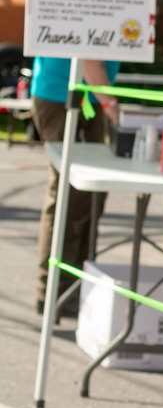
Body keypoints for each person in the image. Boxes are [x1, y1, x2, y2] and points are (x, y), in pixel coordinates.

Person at [31, 56, 121, 314]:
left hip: (89, 96)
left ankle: (74, 286)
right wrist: (111, 106)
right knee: (68, 195)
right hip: (66, 96)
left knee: (88, 197)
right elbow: (91, 60)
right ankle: (54, 290)